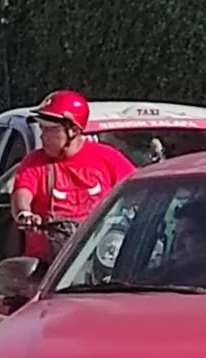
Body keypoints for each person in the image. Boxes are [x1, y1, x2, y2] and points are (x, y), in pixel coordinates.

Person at [11, 89, 137, 262]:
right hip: (47, 267)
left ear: (73, 131)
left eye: (49, 130)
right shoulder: (34, 161)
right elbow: (22, 192)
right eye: (42, 129)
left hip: (101, 258)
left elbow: (138, 191)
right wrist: (24, 213)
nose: (42, 136)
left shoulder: (108, 158)